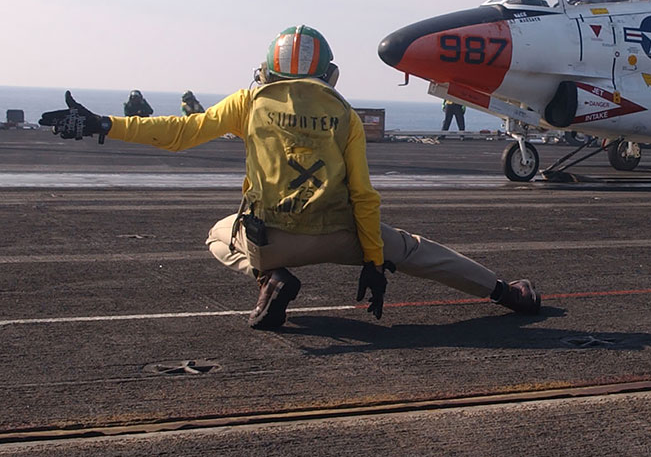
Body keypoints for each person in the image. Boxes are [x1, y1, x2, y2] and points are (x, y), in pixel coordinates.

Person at [40, 25, 541, 330]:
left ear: (269, 68)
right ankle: (508, 294)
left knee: (217, 234)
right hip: (341, 235)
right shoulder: (344, 114)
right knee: (415, 250)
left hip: (272, 240)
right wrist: (372, 259)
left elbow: (180, 132)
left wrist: (104, 123)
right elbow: (365, 196)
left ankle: (269, 278)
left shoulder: (250, 101)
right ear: (330, 72)